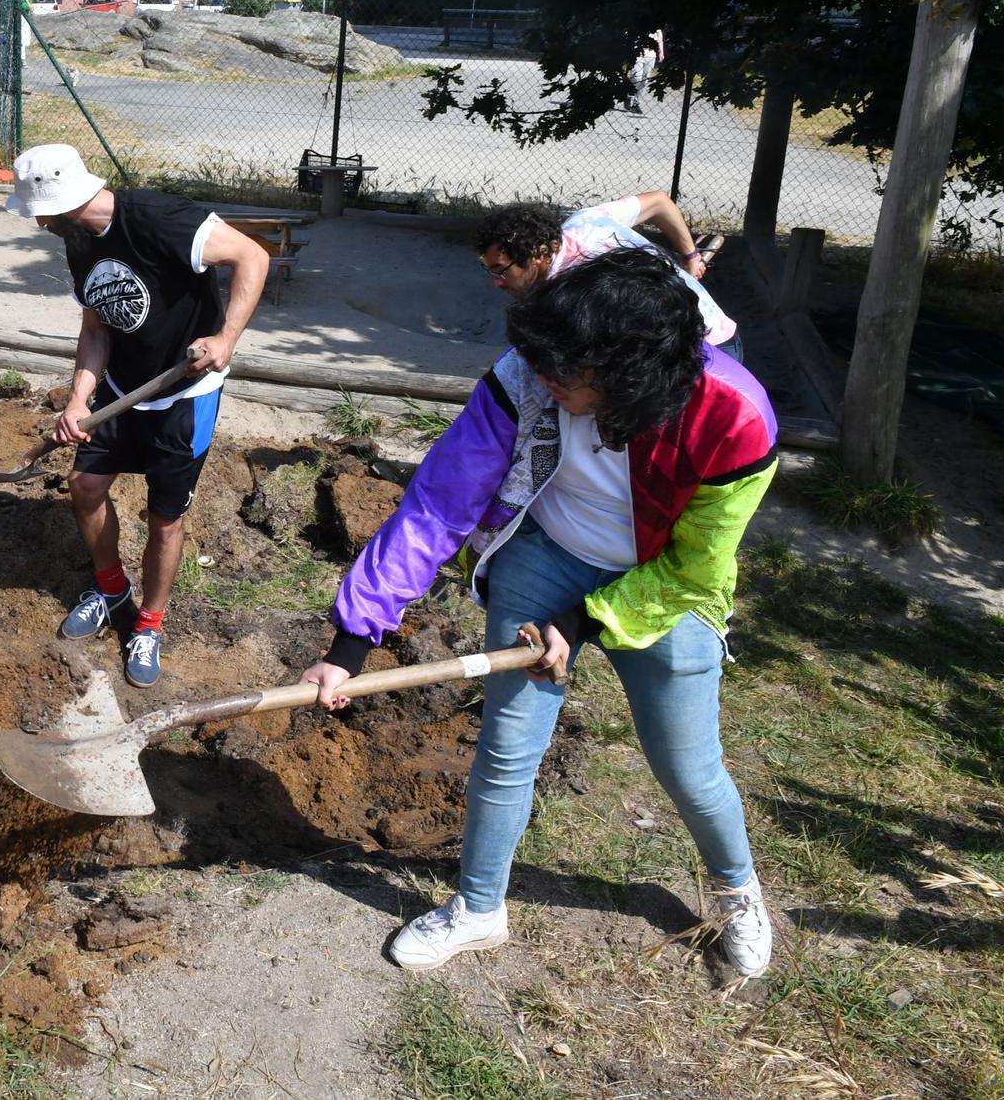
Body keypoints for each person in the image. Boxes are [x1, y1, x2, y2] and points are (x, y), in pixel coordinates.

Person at [300, 249, 779, 980]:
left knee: (687, 765)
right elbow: (437, 504)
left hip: (662, 586)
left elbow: (695, 565)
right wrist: (351, 640)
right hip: (545, 554)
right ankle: (479, 906)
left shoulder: (734, 418)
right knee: (506, 747)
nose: (545, 380)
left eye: (567, 373)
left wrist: (585, 623)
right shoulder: (530, 373)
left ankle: (735, 890)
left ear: (627, 374)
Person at [11, 143, 270, 689]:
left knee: (164, 519)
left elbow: (253, 256)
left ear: (56, 208)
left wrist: (226, 338)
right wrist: (79, 398)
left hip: (185, 396)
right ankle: (111, 592)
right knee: (83, 486)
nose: (38, 226)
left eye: (39, 216)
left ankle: (149, 623)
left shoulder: (160, 218)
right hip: (122, 388)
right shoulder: (78, 241)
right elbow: (97, 327)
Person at [474, 194, 740, 361]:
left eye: (501, 270)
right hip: (683, 344)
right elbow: (660, 202)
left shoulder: (569, 290)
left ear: (535, 255)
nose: (496, 283)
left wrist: (690, 258)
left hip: (703, 351)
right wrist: (691, 257)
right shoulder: (586, 220)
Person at [626, 28, 664, 112]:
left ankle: (636, 104)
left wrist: (661, 52)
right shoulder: (641, 22)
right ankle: (629, 94)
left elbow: (660, 40)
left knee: (644, 80)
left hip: (651, 56)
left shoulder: (657, 26)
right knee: (637, 77)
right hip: (638, 54)